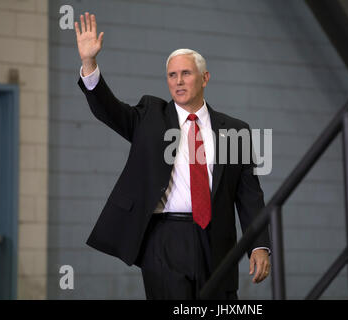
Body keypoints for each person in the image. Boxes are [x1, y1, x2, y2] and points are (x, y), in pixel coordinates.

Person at [74, 12, 271, 299]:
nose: (178, 81)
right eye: (172, 75)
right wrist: (89, 64)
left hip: (217, 239)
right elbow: (110, 110)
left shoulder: (235, 130)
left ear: (205, 78)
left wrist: (259, 245)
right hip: (164, 239)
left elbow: (249, 195)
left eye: (186, 74)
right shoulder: (150, 116)